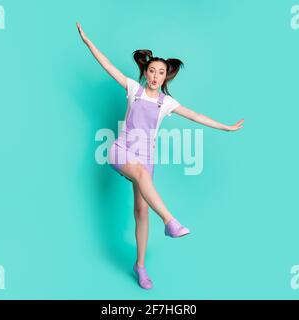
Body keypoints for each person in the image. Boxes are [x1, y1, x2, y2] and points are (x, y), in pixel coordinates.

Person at [76, 22, 244, 289]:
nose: (155, 76)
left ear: (166, 77)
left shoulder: (166, 103)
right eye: (152, 70)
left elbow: (196, 115)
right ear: (146, 72)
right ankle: (170, 221)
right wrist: (88, 42)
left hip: (146, 158)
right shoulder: (134, 89)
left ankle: (140, 266)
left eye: (160, 73)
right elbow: (108, 65)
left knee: (141, 211)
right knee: (141, 176)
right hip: (121, 151)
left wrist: (225, 127)